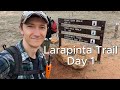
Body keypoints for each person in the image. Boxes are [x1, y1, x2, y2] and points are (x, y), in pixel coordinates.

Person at [0, 11, 49, 79]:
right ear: (21, 29)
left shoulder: (41, 58)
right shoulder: (7, 60)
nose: (37, 34)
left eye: (42, 27)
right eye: (30, 26)